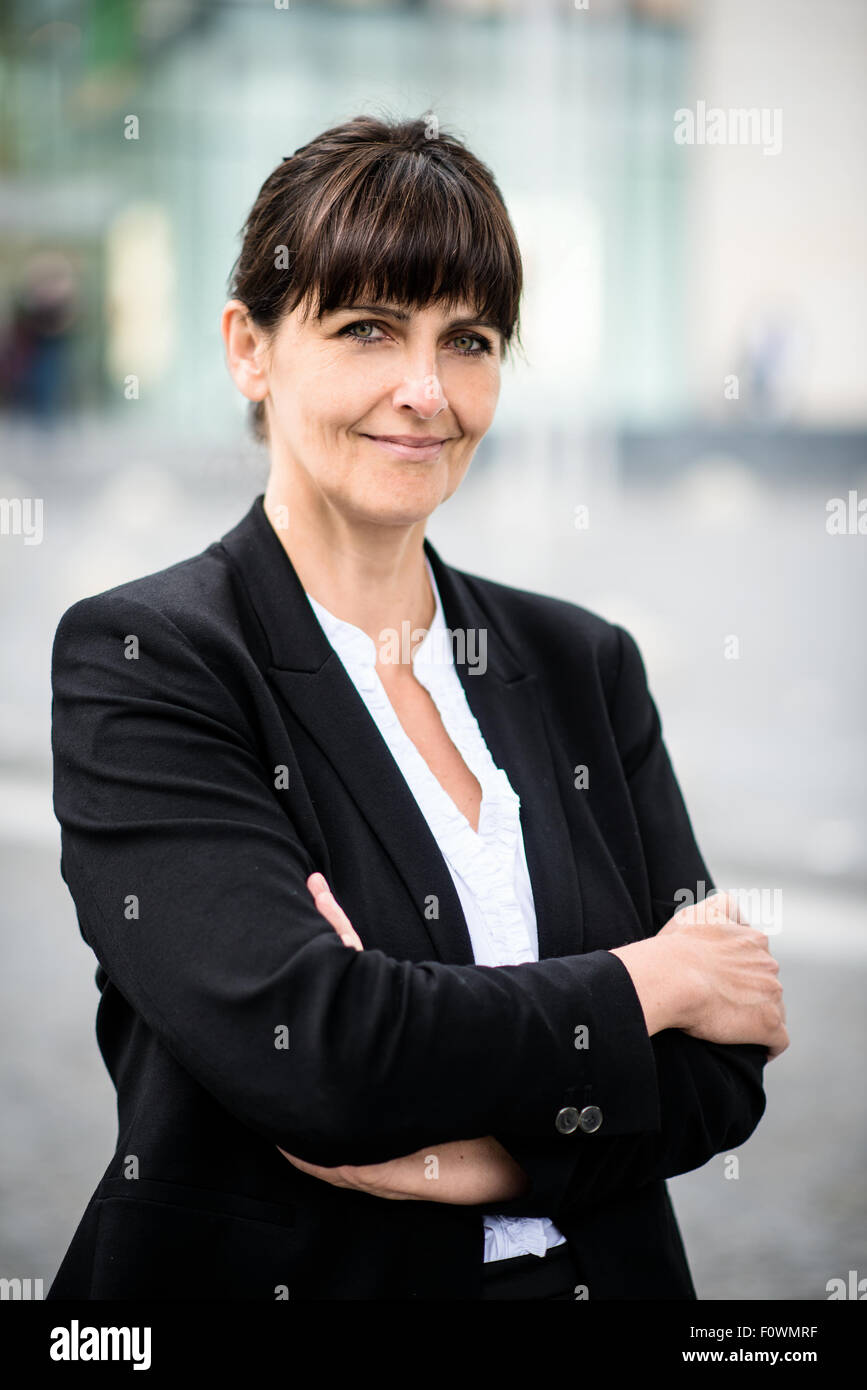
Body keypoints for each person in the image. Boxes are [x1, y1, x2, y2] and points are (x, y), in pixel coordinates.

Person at [47, 114, 787, 1302]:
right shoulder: (151, 659)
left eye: (471, 339)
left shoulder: (584, 660)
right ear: (250, 346)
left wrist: (466, 1163)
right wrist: (652, 981)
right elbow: (322, 1050)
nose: (426, 391)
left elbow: (724, 1070)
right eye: (369, 329)